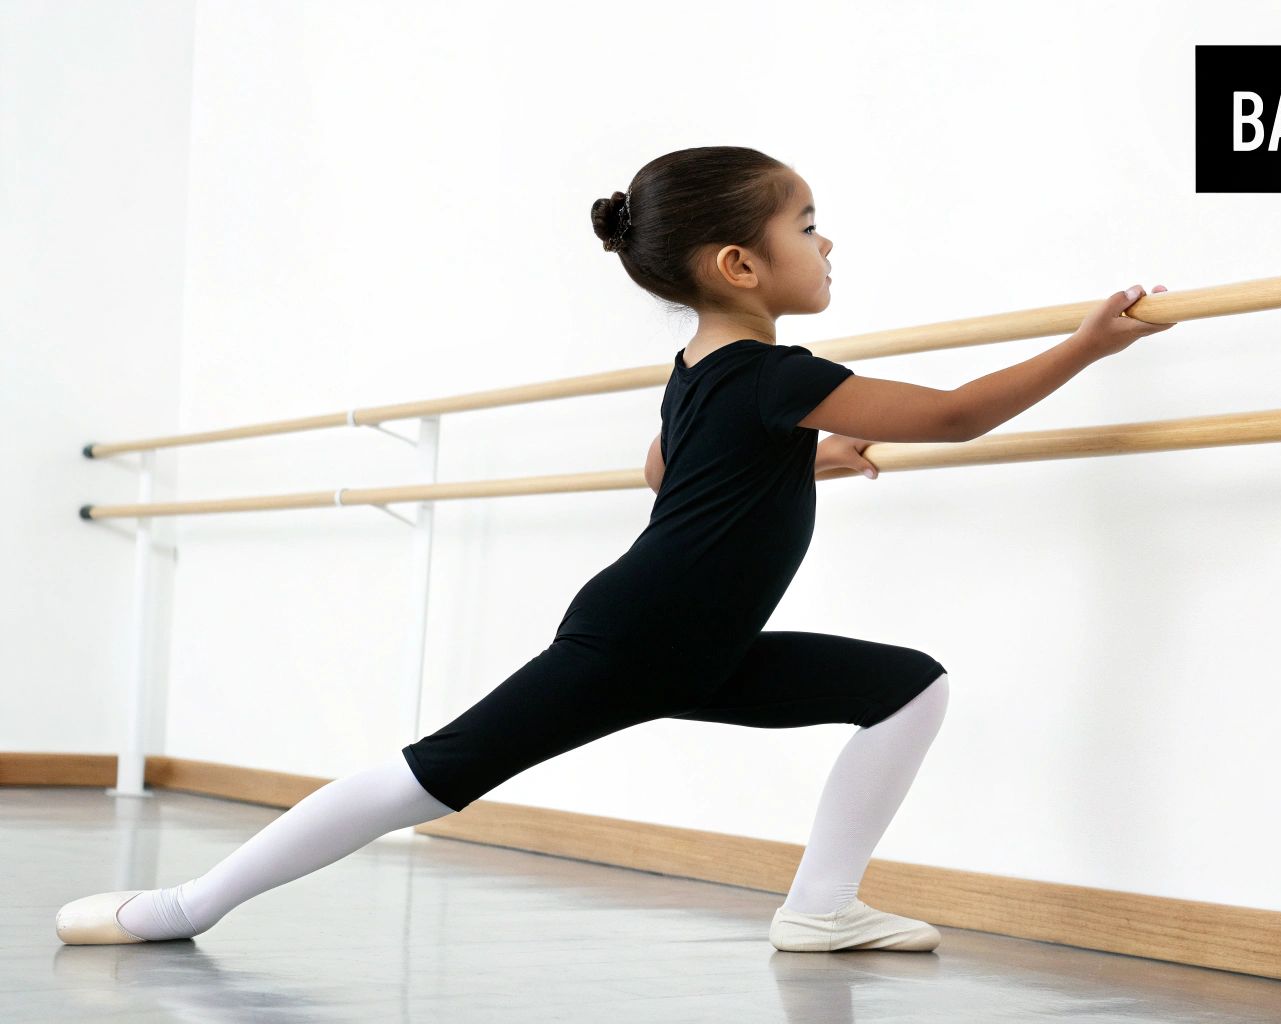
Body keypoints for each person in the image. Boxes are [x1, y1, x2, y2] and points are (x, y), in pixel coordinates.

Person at [55, 145, 1173, 953]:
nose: (825, 241)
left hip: (697, 641)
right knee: (431, 776)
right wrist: (1089, 341)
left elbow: (661, 472)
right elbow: (958, 414)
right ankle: (185, 906)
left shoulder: (705, 373)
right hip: (639, 636)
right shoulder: (777, 376)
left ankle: (821, 907)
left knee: (905, 688)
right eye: (807, 223)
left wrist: (799, 463)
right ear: (740, 263)